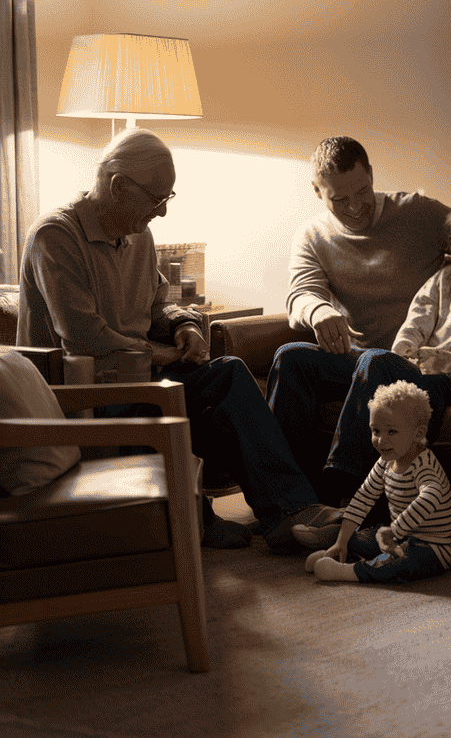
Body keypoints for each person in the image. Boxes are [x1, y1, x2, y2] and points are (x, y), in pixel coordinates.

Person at [16, 127, 342, 550]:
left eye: (167, 199)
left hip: (138, 383)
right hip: (82, 398)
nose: (162, 213)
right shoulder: (55, 237)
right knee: (217, 385)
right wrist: (166, 355)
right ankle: (246, 513)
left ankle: (285, 515)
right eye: (157, 199)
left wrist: (184, 327)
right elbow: (84, 338)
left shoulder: (139, 235)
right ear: (118, 187)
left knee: (228, 378)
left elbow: (159, 307)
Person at [287, 185, 451, 509]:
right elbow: (418, 319)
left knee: (377, 362)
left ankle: (340, 479)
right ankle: (304, 490)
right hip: (424, 367)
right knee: (354, 359)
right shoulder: (448, 276)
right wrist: (403, 353)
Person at [266, 136, 451, 498]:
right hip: (360, 365)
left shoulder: (420, 213)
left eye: (362, 191)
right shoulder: (313, 235)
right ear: (317, 192)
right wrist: (319, 310)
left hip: (416, 367)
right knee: (291, 358)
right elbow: (300, 294)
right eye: (339, 199)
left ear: (371, 175)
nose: (354, 207)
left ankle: (340, 491)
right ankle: (286, 499)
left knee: (375, 359)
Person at [303, 381, 451, 584]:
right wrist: (342, 541)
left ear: (418, 434)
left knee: (401, 563)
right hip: (399, 537)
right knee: (366, 536)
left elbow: (431, 496)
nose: (380, 440)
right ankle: (338, 551)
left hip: (433, 547)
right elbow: (363, 499)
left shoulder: (424, 465)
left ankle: (350, 571)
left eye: (391, 432)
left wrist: (394, 531)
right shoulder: (386, 460)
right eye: (375, 431)